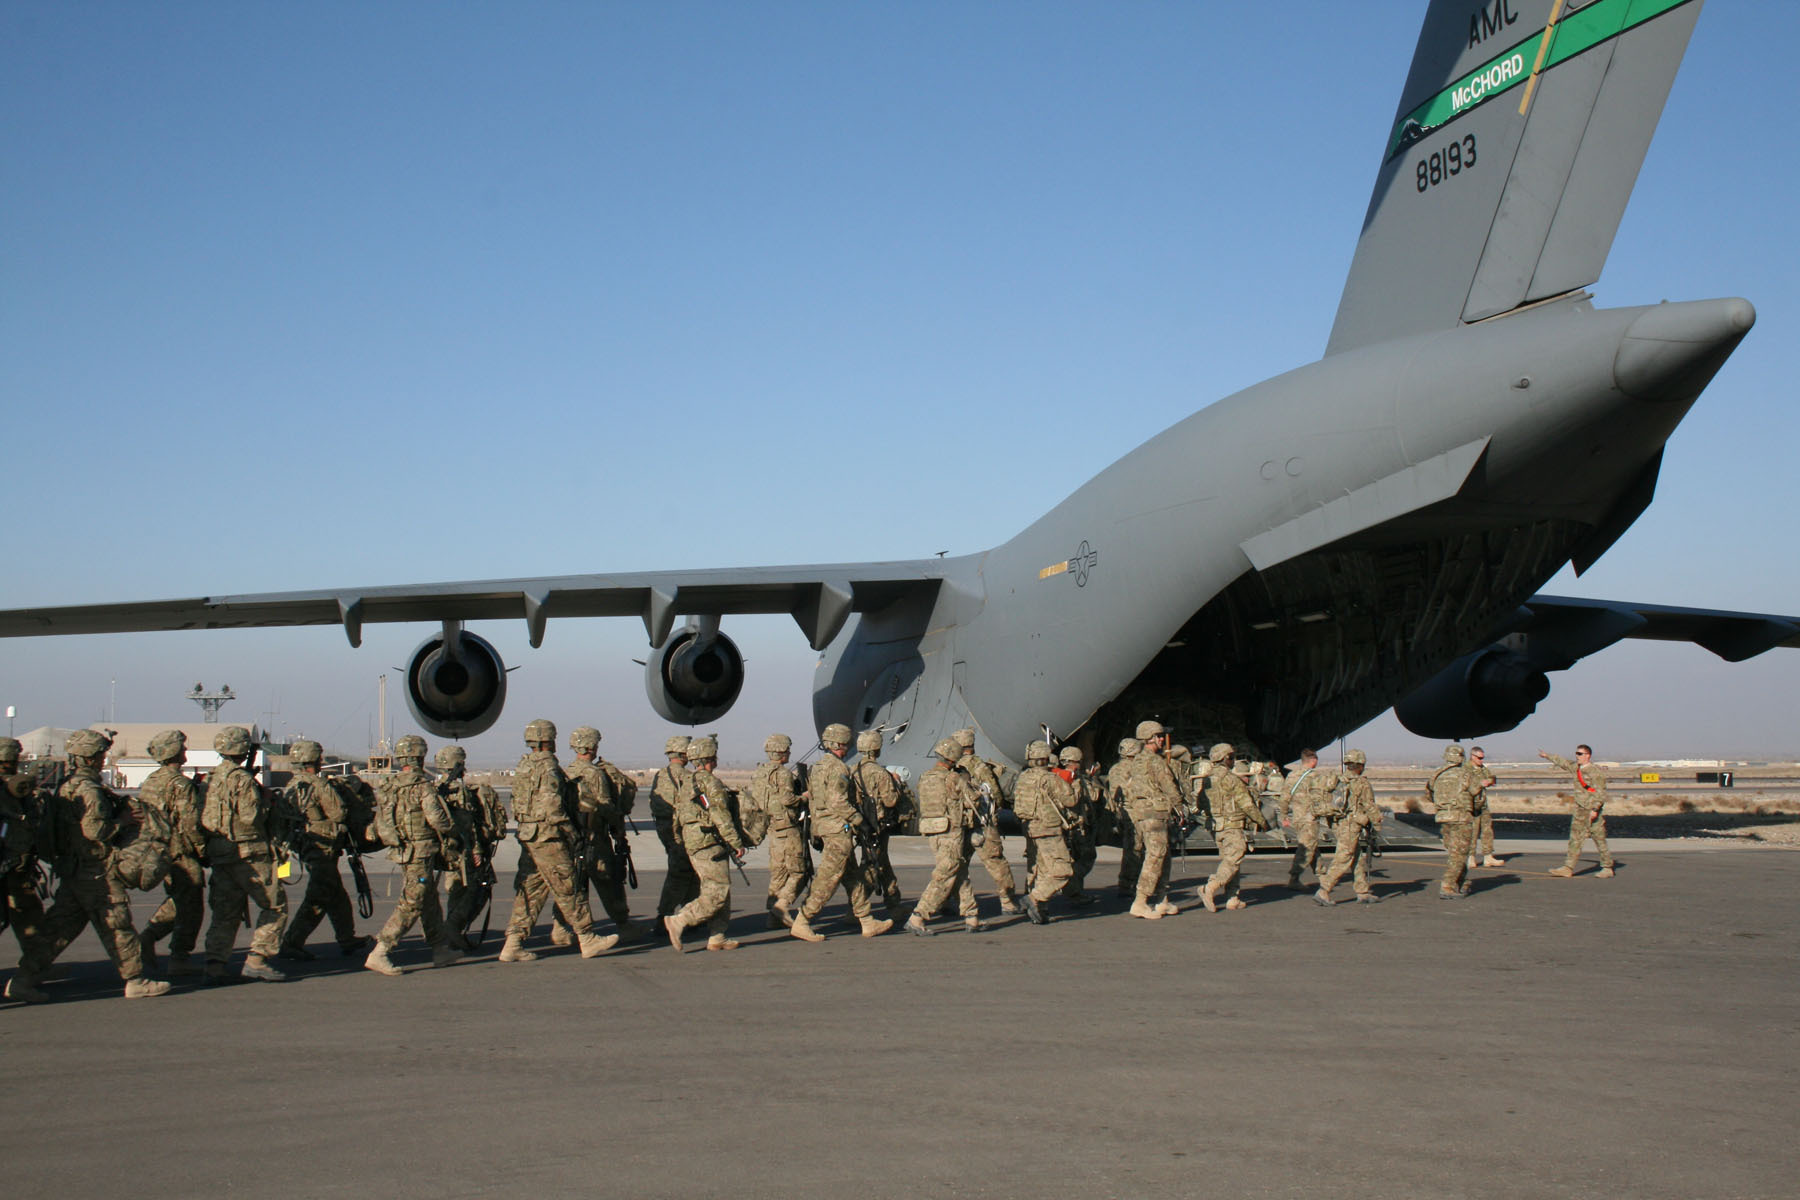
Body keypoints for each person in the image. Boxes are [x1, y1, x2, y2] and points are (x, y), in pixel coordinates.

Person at [7, 729, 169, 1002]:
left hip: (74, 872)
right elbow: (94, 831)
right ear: (93, 758)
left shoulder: (67, 786)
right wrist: (124, 822)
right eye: (100, 755)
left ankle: (23, 980)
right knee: (118, 926)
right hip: (95, 872)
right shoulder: (90, 790)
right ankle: (136, 980)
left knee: (55, 931)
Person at [498, 719, 616, 963]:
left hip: (529, 835)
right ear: (550, 740)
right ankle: (587, 937)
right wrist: (571, 833)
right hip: (548, 836)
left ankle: (514, 942)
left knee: (531, 890)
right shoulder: (549, 767)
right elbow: (553, 807)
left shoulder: (524, 766)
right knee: (568, 886)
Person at [364, 735, 463, 976]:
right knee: (412, 902)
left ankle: (440, 949)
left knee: (429, 901)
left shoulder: (390, 786)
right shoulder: (421, 787)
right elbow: (437, 819)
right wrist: (455, 830)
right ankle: (381, 950)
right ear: (420, 757)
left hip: (404, 850)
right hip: (420, 852)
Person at [200, 725, 289, 983]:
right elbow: (251, 817)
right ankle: (257, 959)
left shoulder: (211, 779)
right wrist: (265, 800)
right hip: (249, 852)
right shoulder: (242, 780)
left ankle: (214, 963)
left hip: (220, 852)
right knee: (275, 906)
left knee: (225, 911)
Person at [791, 724, 892, 943]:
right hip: (838, 830)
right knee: (828, 878)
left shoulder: (818, 767)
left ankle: (866, 920)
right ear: (840, 744)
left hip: (826, 827)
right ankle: (803, 920)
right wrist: (859, 820)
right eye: (846, 744)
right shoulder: (838, 769)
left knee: (853, 877)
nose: (848, 748)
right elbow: (838, 801)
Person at [278, 739, 372, 961]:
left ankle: (347, 938)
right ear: (313, 761)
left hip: (306, 847)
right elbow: (338, 813)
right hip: (323, 847)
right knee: (318, 897)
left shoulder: (291, 786)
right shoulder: (318, 785)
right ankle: (292, 942)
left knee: (337, 896)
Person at [133, 730, 208, 976]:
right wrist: (202, 850)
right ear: (174, 752)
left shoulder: (152, 781)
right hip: (180, 851)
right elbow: (189, 824)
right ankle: (179, 955)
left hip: (157, 850)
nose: (185, 752)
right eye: (182, 749)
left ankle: (149, 938)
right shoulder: (180, 784)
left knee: (178, 899)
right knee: (192, 904)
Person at [664, 735, 749, 951]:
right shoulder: (711, 783)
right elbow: (720, 814)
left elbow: (678, 814)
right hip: (708, 842)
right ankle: (680, 920)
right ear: (710, 757)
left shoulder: (687, 783)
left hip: (694, 842)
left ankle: (717, 935)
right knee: (717, 890)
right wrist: (736, 841)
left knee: (718, 887)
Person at [555, 726, 637, 941]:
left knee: (574, 884)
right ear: (592, 746)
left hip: (572, 839)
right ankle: (623, 924)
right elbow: (605, 806)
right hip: (594, 837)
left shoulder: (566, 772)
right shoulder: (595, 774)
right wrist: (618, 825)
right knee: (608, 882)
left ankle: (561, 927)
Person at [903, 739, 983, 936]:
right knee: (945, 874)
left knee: (958, 870)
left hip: (933, 831)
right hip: (951, 832)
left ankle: (971, 916)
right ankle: (918, 915)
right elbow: (973, 799)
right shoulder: (954, 779)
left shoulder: (925, 777)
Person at [955, 728, 1020, 915]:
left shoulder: (953, 768)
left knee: (957, 864)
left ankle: (951, 900)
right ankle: (1007, 901)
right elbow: (995, 793)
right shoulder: (979, 766)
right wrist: (996, 808)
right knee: (996, 861)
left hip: (961, 823)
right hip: (982, 822)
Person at [0, 737, 50, 973]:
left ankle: (35, 968)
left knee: (31, 919)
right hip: (8, 865)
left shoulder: (17, 789)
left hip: (17, 866)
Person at [750, 733, 811, 928]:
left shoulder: (760, 772)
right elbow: (787, 800)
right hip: (787, 827)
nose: (789, 753)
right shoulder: (783, 774)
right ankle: (781, 906)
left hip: (771, 828)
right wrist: (804, 797)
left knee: (778, 873)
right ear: (781, 752)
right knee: (799, 871)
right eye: (787, 750)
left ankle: (772, 917)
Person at [1125, 720, 1183, 919]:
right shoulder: (1155, 761)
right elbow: (1169, 786)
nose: (1162, 740)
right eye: (1158, 736)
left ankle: (1162, 899)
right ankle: (1140, 902)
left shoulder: (1137, 761)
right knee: (1156, 855)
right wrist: (1181, 808)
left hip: (1144, 813)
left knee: (1163, 855)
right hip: (1154, 813)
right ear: (1149, 738)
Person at [1012, 741, 1076, 925]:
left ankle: (1040, 909)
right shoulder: (1050, 779)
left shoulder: (1024, 777)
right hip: (1049, 829)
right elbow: (1070, 800)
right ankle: (1034, 898)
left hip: (1031, 828)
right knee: (1063, 870)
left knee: (1043, 869)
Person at [1201, 743, 1268, 912]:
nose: (1233, 761)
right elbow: (1247, 804)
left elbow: (1200, 802)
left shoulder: (1207, 778)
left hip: (1216, 826)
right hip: (1231, 824)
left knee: (1230, 860)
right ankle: (1210, 887)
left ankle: (1233, 897)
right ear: (1225, 759)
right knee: (1236, 855)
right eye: (1231, 757)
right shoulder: (1230, 779)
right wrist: (1262, 821)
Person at [851, 729, 908, 918]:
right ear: (877, 749)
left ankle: (893, 902)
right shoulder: (880, 773)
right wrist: (897, 784)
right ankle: (855, 910)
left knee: (881, 861)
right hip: (878, 824)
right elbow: (891, 800)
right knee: (872, 864)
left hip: (861, 823)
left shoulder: (853, 770)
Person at [1314, 749, 1382, 905]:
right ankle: (1324, 890)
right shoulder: (1361, 783)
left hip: (1339, 823)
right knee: (1344, 857)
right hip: (1351, 825)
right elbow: (1370, 806)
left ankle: (1362, 891)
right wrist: (1377, 823)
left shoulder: (1339, 780)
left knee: (1356, 856)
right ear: (1359, 765)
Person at [1540, 744, 1615, 878]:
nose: (1577, 756)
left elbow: (1601, 793)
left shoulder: (1595, 772)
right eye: (1576, 753)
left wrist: (1595, 809)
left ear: (1588, 755)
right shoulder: (1576, 768)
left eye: (1580, 754)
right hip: (1580, 809)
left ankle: (1607, 867)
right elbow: (1563, 762)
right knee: (1575, 839)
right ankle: (1568, 868)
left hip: (1591, 810)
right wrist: (1547, 756)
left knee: (1599, 839)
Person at [650, 734, 700, 930]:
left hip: (666, 828)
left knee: (687, 870)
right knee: (680, 872)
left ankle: (689, 914)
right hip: (679, 830)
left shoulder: (661, 774)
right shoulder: (685, 776)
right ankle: (666, 915)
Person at [1282, 749, 1339, 890]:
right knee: (1307, 848)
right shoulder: (1315, 777)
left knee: (1311, 845)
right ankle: (1294, 878)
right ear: (1313, 761)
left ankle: (1321, 874)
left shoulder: (1292, 775)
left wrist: (1284, 816)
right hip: (1309, 817)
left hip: (1297, 817)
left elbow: (1284, 797)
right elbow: (1329, 789)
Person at [1430, 744, 1477, 899]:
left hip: (1444, 817)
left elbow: (1429, 794)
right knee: (1459, 854)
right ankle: (1448, 885)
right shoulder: (1466, 774)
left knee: (1455, 852)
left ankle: (1461, 882)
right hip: (1461, 817)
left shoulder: (1437, 775)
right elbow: (1478, 795)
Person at [1054, 746, 1099, 904]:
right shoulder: (1077, 779)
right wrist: (1092, 779)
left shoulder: (1056, 776)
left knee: (1074, 858)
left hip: (1066, 824)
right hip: (1078, 824)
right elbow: (1093, 797)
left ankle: (1076, 894)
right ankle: (1071, 887)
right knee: (1086, 857)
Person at [1108, 737, 1143, 896]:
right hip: (1134, 811)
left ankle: (1128, 882)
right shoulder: (1135, 768)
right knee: (1134, 849)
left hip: (1123, 812)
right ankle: (1128, 883)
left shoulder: (1115, 768)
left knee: (1131, 848)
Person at [1466, 746, 1503, 869]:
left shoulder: (1483, 769)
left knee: (1487, 830)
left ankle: (1488, 856)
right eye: (1479, 758)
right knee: (1473, 831)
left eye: (1483, 758)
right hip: (1472, 805)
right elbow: (1466, 787)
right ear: (1472, 756)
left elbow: (1492, 778)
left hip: (1483, 804)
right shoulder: (1465, 769)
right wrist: (1480, 784)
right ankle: (1470, 857)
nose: (1481, 760)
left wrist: (1490, 781)